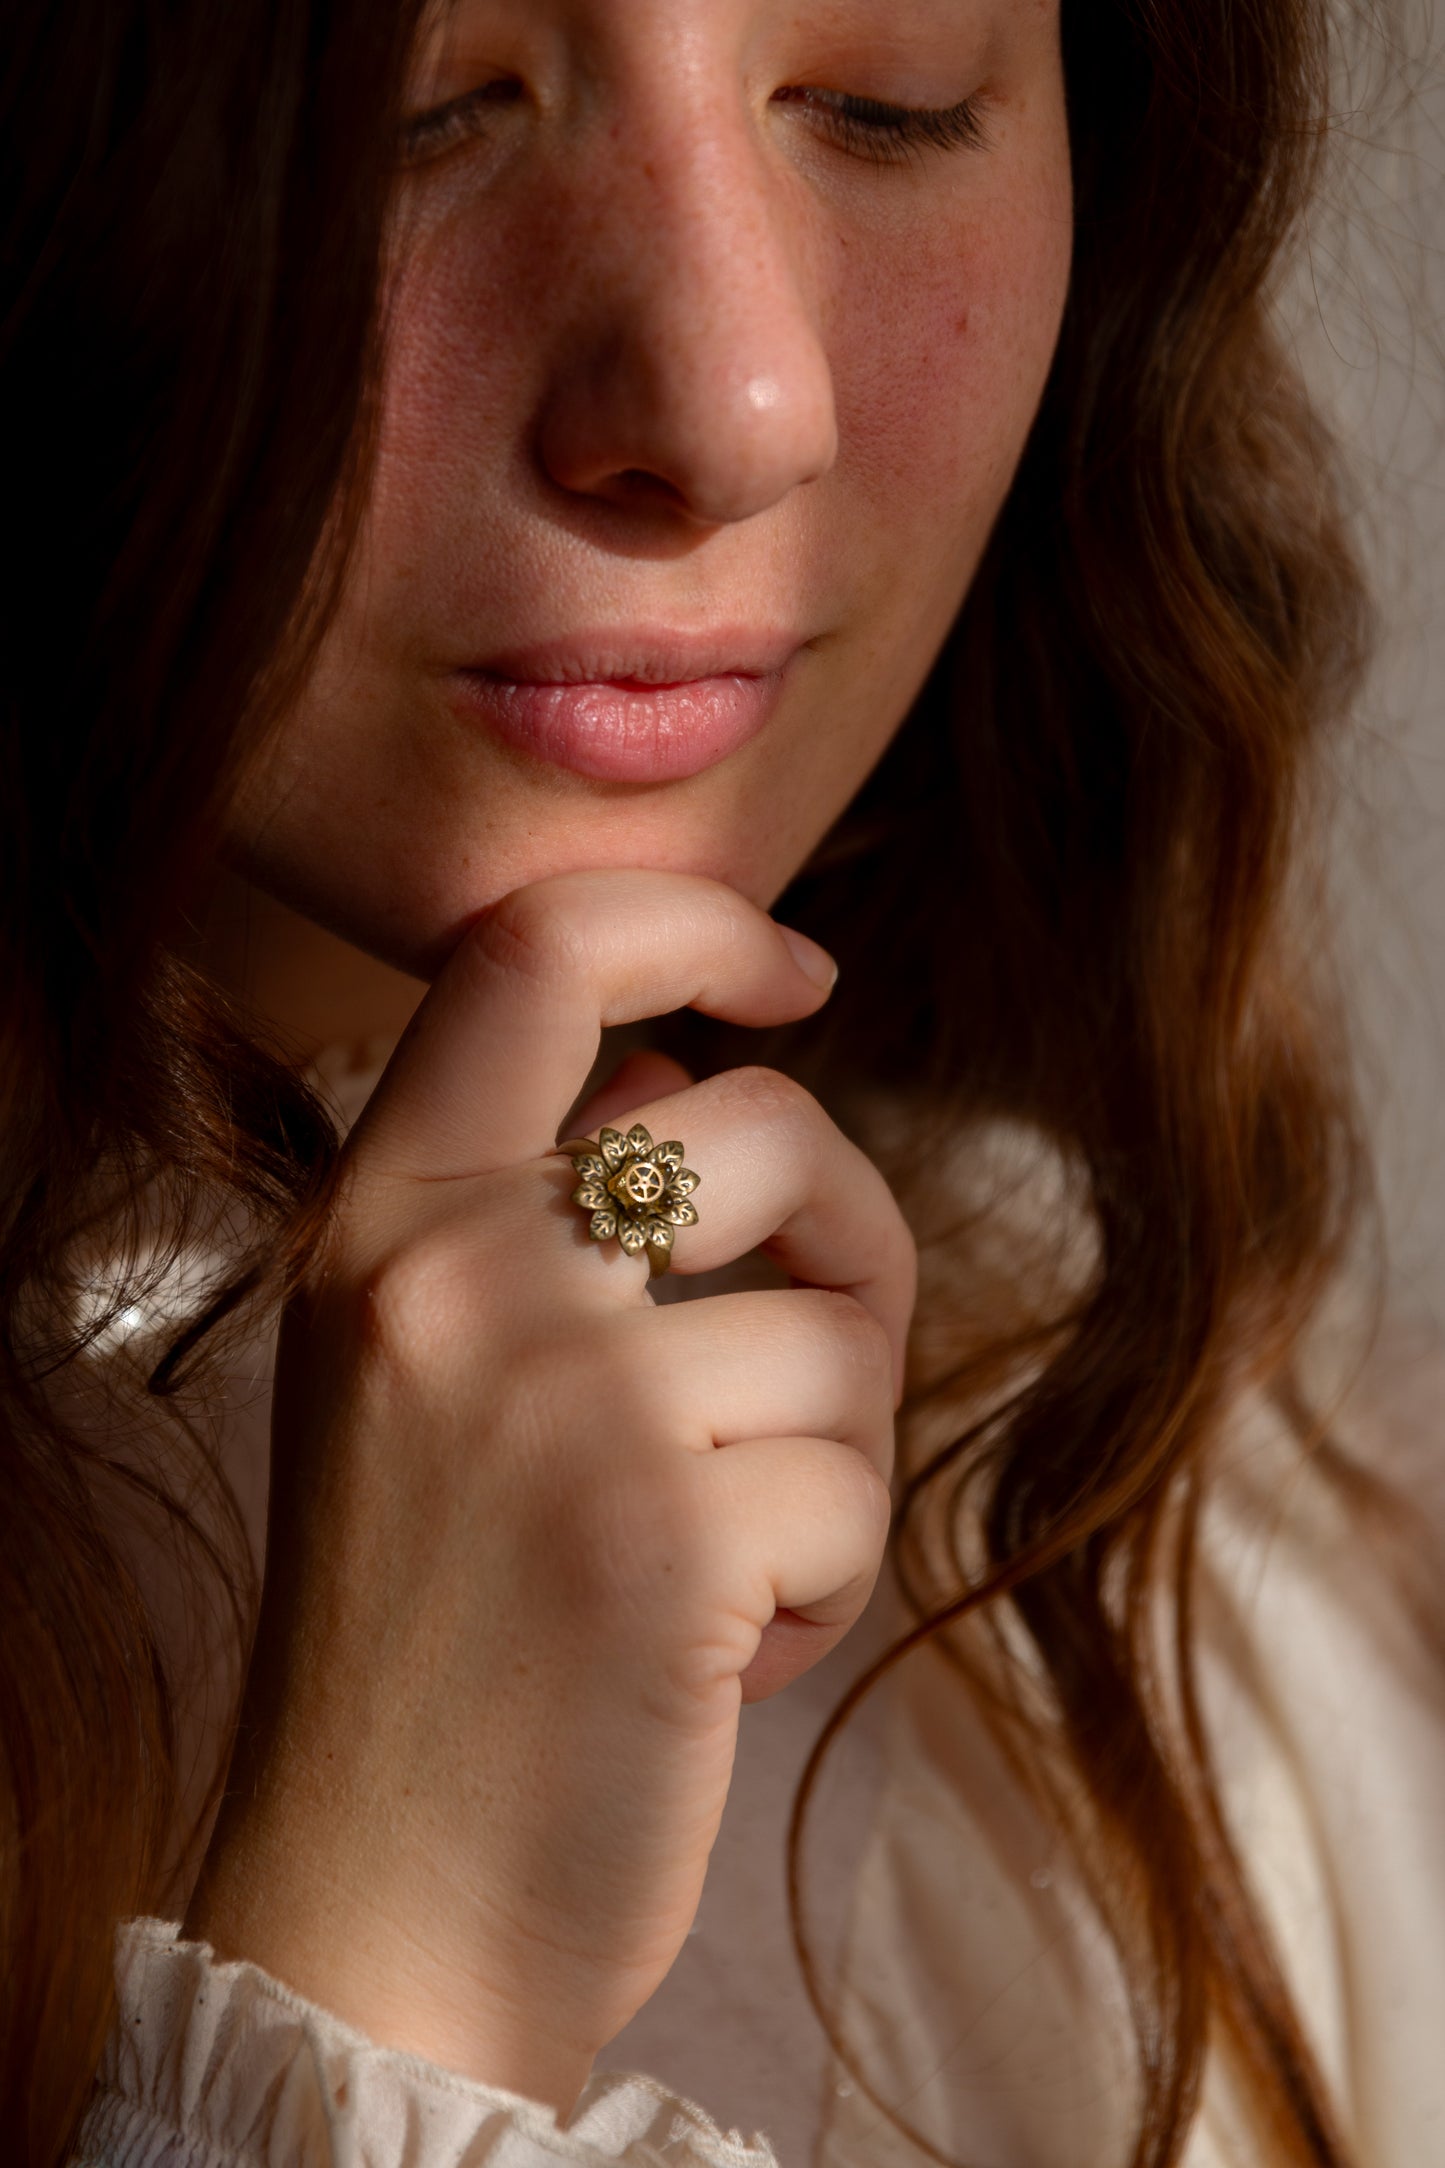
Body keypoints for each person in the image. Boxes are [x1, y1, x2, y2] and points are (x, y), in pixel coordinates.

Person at [5, 0, 1441, 2162]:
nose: (734, 394)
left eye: (894, 92)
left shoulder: (1232, 1579)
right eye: (414, 120)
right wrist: (385, 1982)